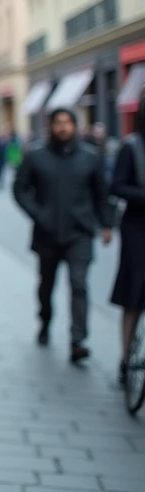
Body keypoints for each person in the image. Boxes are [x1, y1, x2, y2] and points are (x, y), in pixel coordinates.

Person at [11, 108, 112, 364]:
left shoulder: (90, 157)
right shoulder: (36, 156)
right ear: (50, 127)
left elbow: (102, 193)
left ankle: (78, 339)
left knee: (79, 284)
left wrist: (106, 224)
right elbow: (20, 189)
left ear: (75, 126)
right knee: (46, 285)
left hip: (79, 233)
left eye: (68, 123)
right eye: (58, 123)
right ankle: (45, 321)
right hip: (47, 232)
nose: (63, 128)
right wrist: (38, 213)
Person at [109, 102, 145, 386]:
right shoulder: (131, 146)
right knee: (133, 295)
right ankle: (125, 358)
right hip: (137, 228)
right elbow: (117, 185)